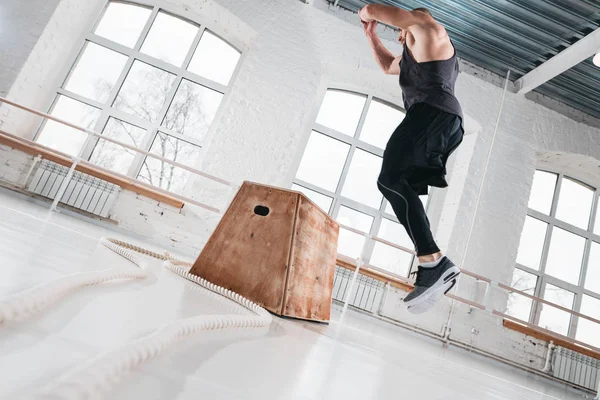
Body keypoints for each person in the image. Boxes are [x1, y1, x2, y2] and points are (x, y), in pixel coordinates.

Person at [358, 5, 463, 314]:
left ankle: (434, 260)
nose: (399, 35)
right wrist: (371, 35)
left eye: (399, 30)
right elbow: (388, 66)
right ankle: (431, 262)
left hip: (433, 114)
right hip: (436, 119)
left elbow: (377, 9)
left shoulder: (427, 26)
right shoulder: (415, 56)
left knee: (390, 179)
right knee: (393, 182)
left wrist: (366, 13)